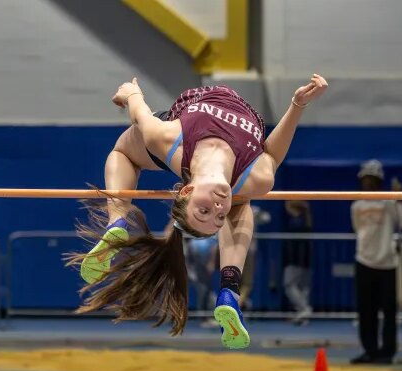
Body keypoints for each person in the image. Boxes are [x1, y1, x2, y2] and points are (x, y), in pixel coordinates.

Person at [68, 74, 328, 349]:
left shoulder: (165, 137)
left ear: (186, 191)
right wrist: (297, 104)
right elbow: (273, 156)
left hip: (183, 135)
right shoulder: (256, 178)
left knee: (122, 152)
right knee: (242, 199)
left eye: (204, 210)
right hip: (238, 163)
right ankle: (229, 290)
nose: (218, 208)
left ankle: (116, 221)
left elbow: (139, 113)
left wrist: (130, 93)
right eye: (218, 218)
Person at [350, 160, 402, 365]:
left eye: (371, 179)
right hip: (364, 261)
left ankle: (387, 352)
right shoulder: (357, 204)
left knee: (389, 312)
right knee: (366, 311)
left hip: (387, 263)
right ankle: (370, 350)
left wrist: (400, 199)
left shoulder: (390, 202)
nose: (368, 183)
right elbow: (359, 229)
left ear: (378, 181)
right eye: (364, 179)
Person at [282, 200, 313, 325]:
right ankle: (303, 315)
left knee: (289, 285)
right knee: (302, 287)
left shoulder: (297, 222)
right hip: (304, 259)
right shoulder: (305, 220)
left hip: (296, 259)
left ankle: (305, 309)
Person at [239, 205, 270, 311]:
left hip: (233, 249)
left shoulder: (253, 210)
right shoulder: (253, 210)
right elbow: (266, 218)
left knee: (235, 282)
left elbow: (266, 218)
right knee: (247, 283)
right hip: (246, 250)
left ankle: (240, 305)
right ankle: (234, 309)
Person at [185, 236, 219, 327]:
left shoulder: (211, 233)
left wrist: (211, 262)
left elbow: (214, 247)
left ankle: (206, 317)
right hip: (195, 260)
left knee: (205, 290)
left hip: (203, 259)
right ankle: (204, 318)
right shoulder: (193, 240)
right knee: (203, 290)